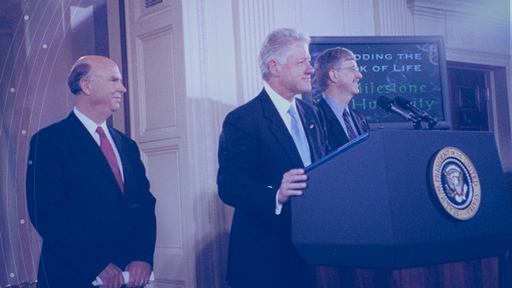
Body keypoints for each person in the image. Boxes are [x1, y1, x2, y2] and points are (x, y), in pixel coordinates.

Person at [26, 55, 156, 288]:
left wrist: (142, 257)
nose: (123, 89)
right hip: (74, 277)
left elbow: (144, 205)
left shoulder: (127, 145)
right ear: (86, 85)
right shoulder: (49, 142)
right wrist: (96, 264)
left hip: (127, 277)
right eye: (114, 80)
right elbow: (46, 212)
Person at [217, 28, 329, 288]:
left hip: (313, 257)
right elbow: (229, 185)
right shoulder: (243, 120)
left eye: (309, 63)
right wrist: (276, 194)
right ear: (274, 67)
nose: (310, 70)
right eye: (301, 62)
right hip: (265, 263)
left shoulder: (314, 115)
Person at [314, 47, 370, 152]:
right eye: (353, 69)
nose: (359, 75)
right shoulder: (315, 119)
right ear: (334, 75)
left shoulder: (359, 118)